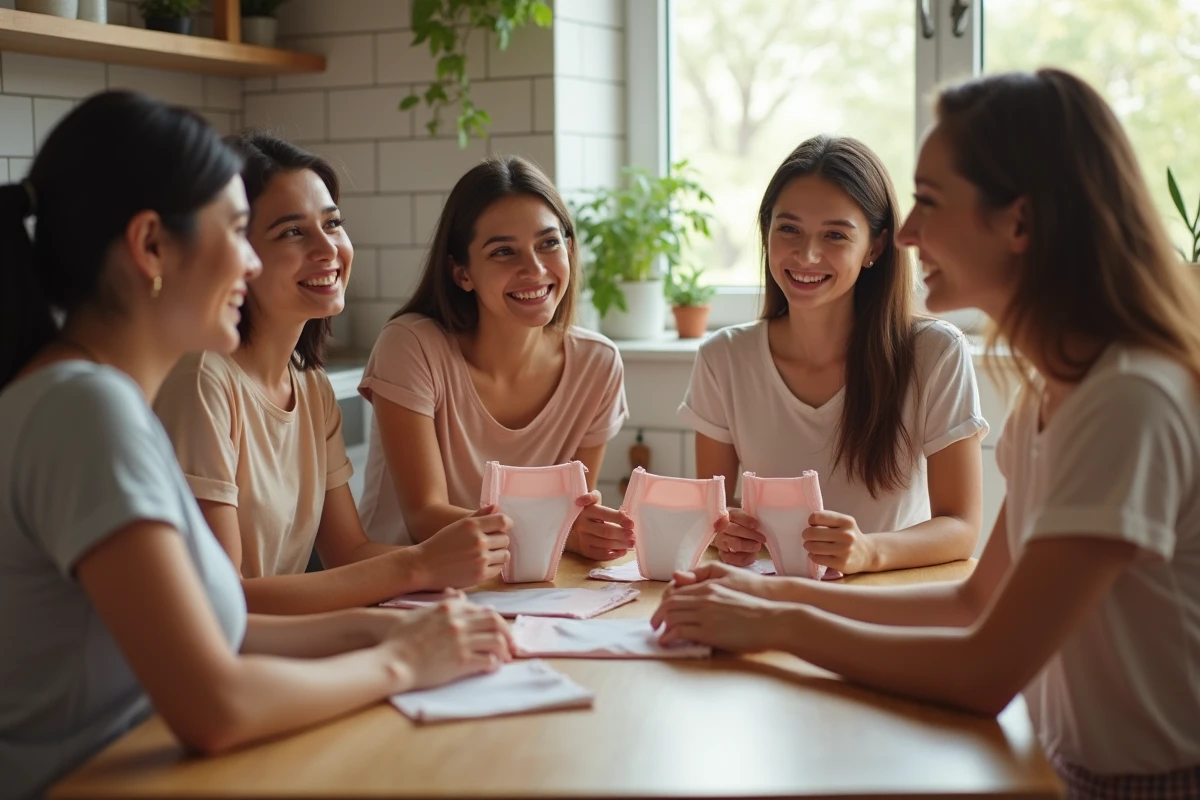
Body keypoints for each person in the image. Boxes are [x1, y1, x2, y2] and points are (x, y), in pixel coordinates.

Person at [654, 69, 1200, 794]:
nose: (907, 232)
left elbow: (985, 672)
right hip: (1069, 768)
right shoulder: (1056, 392)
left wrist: (777, 626)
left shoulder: (1127, 400)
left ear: (1021, 224)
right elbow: (974, 600)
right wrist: (770, 596)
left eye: (930, 203)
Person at [0, 91, 510, 799]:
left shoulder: (100, 401)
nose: (248, 263)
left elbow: (224, 631)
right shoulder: (86, 410)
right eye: (239, 231)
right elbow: (215, 707)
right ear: (151, 246)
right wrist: (401, 665)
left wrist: (390, 636)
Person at [155, 132, 512, 614]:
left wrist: (472, 568)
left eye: (333, 224)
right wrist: (420, 566)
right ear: (236, 254)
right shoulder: (203, 380)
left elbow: (350, 554)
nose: (329, 249)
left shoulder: (309, 384)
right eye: (292, 232)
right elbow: (226, 600)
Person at [680, 134, 986, 575]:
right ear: (767, 232)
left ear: (876, 248)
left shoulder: (935, 353)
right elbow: (710, 512)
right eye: (789, 229)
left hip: (890, 604)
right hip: (774, 601)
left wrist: (868, 551)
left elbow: (961, 527)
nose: (807, 254)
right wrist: (724, 530)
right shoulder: (722, 358)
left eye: (835, 235)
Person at [357, 156, 633, 561]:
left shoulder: (598, 364)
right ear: (461, 273)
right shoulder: (411, 346)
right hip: (404, 587)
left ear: (569, 249)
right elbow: (424, 517)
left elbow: (573, 512)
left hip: (524, 583)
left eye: (549, 243)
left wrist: (586, 530)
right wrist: (559, 531)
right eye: (504, 251)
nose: (534, 268)